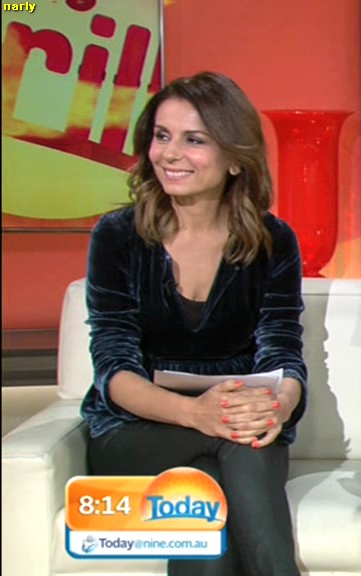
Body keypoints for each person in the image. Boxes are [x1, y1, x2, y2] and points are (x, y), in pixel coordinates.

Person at [80, 72, 306, 576]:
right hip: (137, 428)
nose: (170, 154)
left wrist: (278, 407)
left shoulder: (273, 241)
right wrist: (197, 414)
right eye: (162, 136)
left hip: (239, 419)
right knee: (235, 443)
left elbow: (282, 350)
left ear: (234, 158)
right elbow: (114, 366)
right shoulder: (118, 236)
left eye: (194, 140)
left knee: (205, 487)